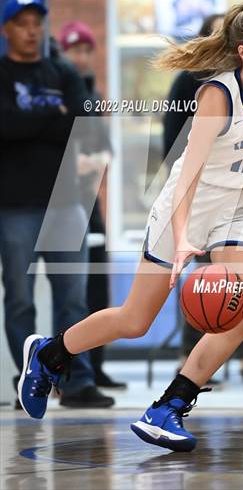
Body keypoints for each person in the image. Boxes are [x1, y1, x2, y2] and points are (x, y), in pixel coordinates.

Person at [18, 1, 243, 452]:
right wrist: (185, 237)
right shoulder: (217, 95)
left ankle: (168, 407)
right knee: (135, 320)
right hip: (190, 204)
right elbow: (187, 172)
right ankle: (50, 354)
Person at [0, 0, 114, 409]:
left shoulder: (62, 72)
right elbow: (6, 126)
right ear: (7, 29)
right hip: (14, 205)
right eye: (22, 22)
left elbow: (81, 129)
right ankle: (29, 380)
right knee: (19, 298)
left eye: (37, 22)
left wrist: (27, 123)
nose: (32, 30)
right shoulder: (2, 73)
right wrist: (50, 118)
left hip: (66, 203)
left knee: (73, 299)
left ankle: (78, 381)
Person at [164, 13, 243, 389]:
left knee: (231, 287)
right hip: (198, 197)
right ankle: (213, 360)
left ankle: (241, 361)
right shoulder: (192, 84)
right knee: (205, 285)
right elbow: (174, 145)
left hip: (236, 200)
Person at [59, 21, 126, 390]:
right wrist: (76, 161)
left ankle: (94, 365)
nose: (81, 57)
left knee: (98, 285)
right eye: (75, 50)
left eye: (86, 50)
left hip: (88, 203)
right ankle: (68, 367)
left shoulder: (92, 94)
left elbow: (104, 150)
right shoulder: (59, 90)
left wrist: (95, 159)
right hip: (60, 201)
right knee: (72, 289)